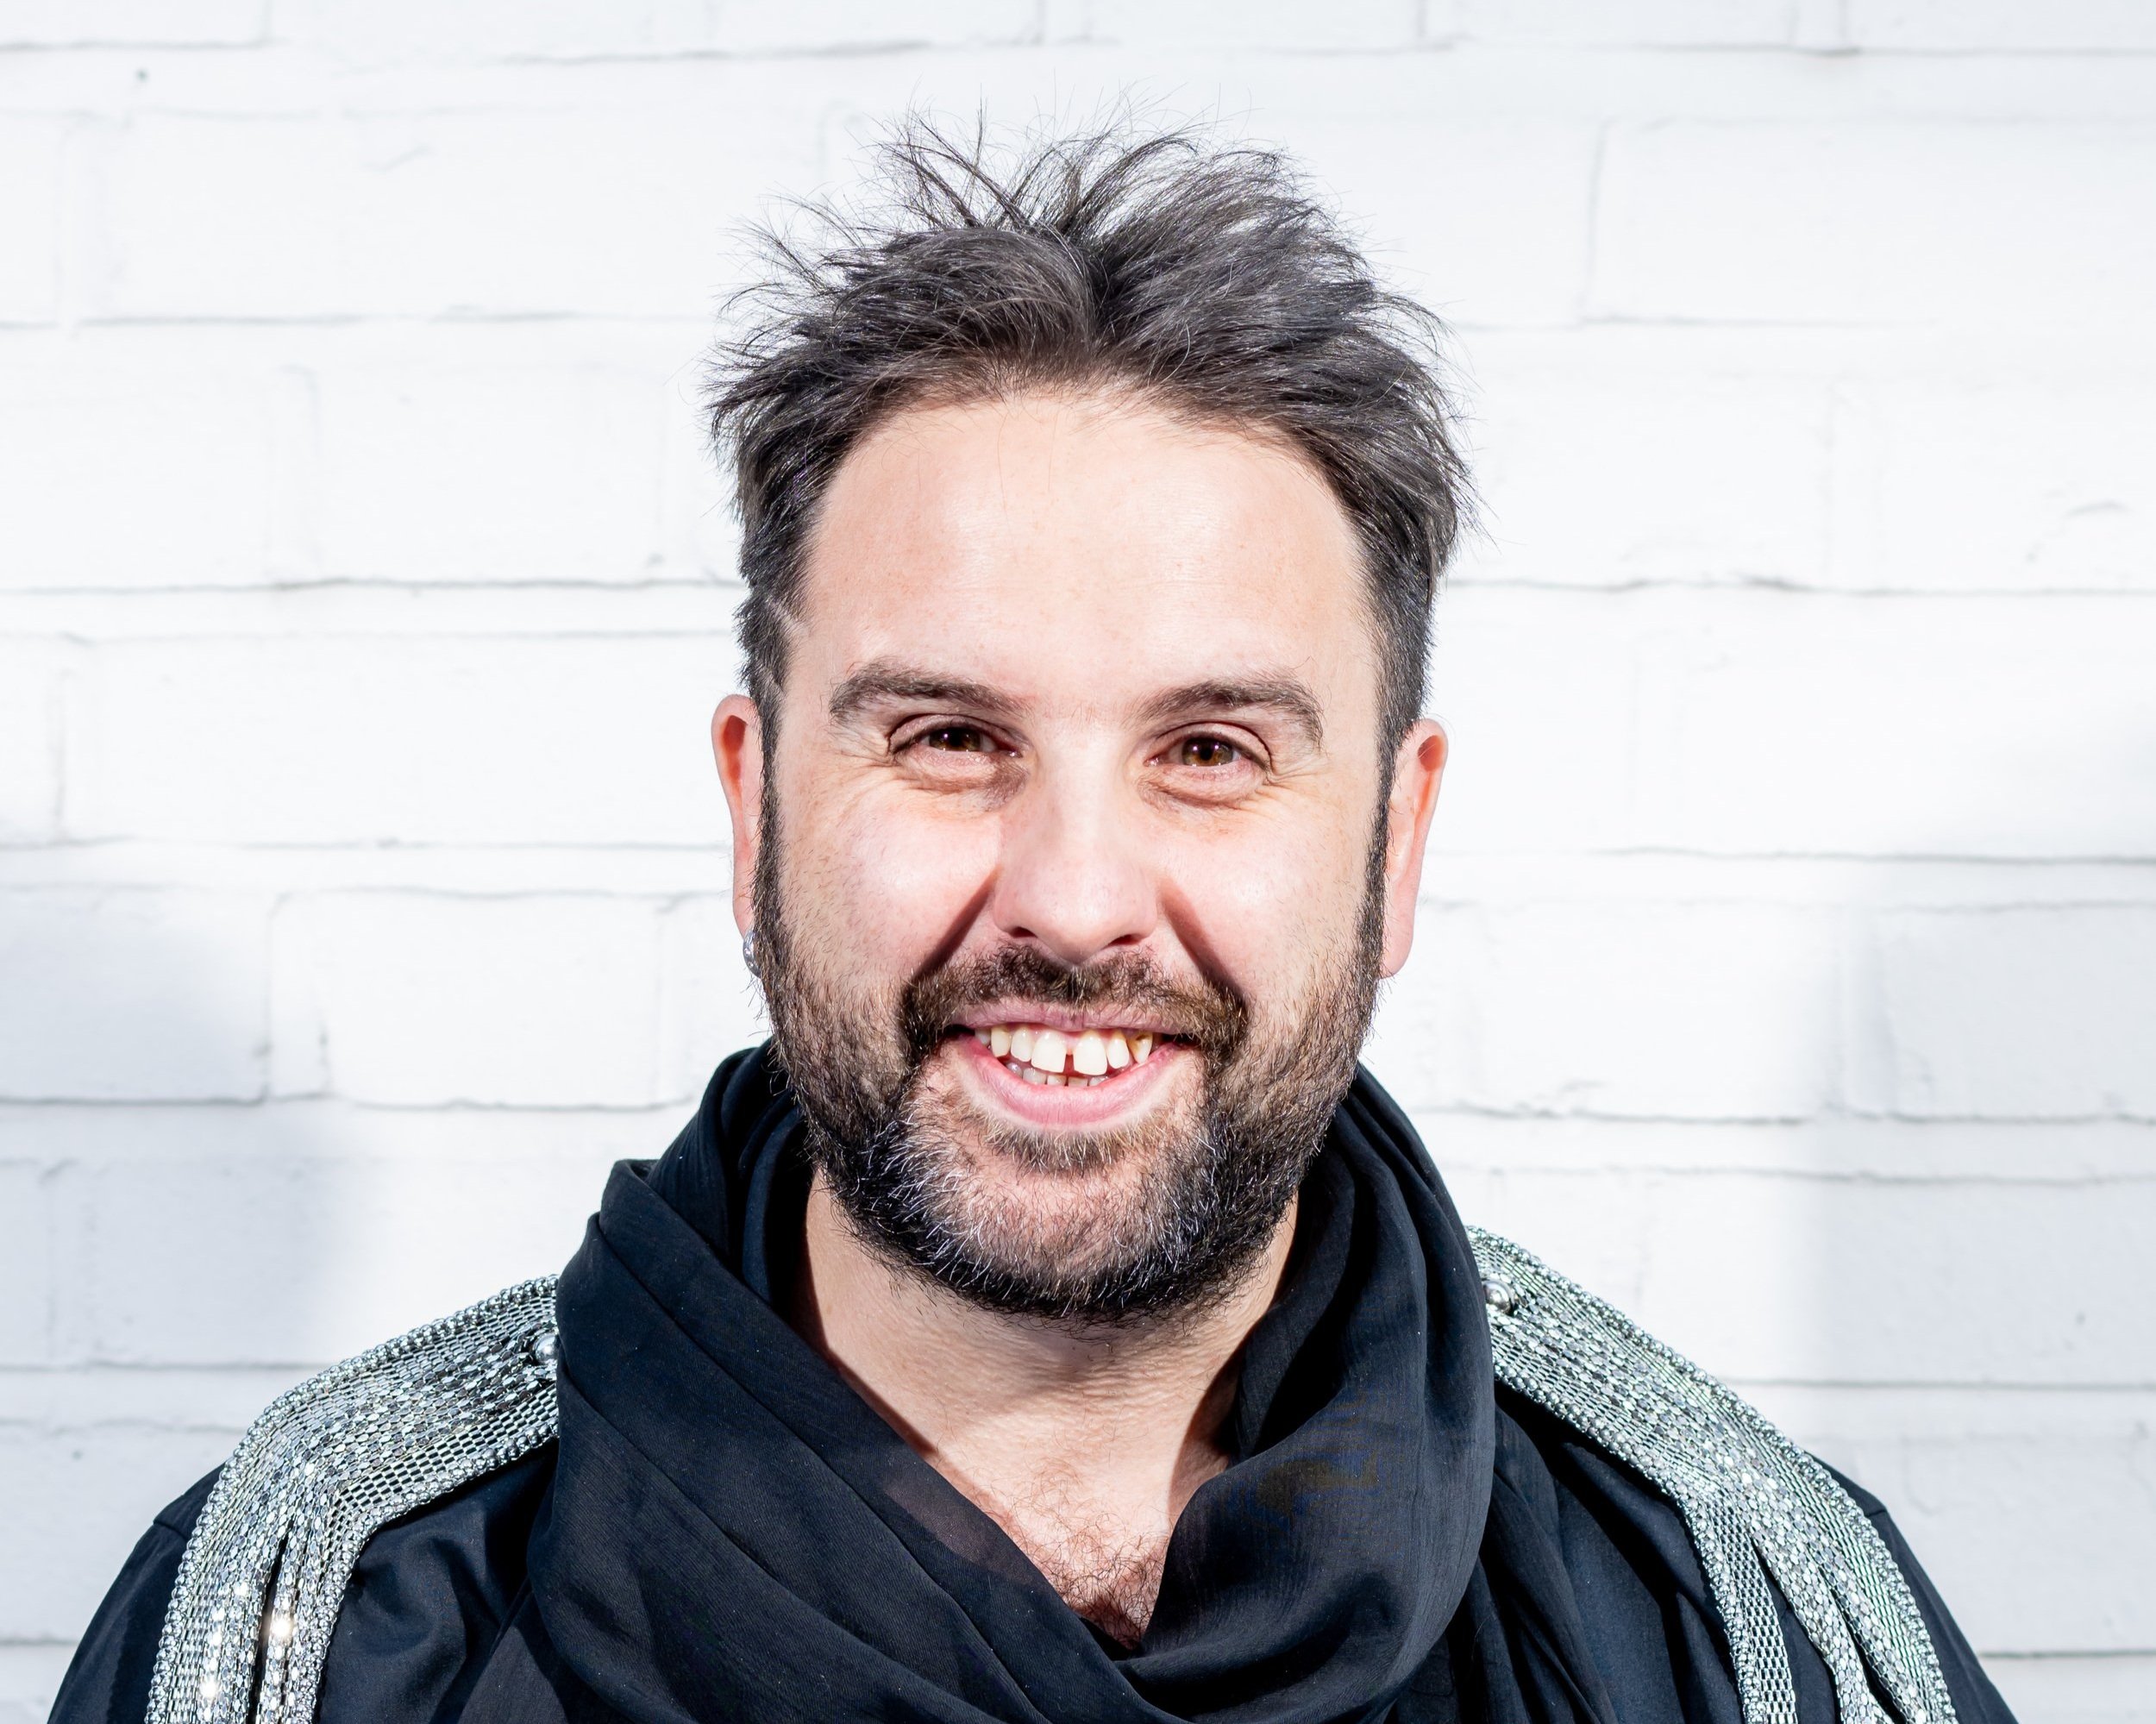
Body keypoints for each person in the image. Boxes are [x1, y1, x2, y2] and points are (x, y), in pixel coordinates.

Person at [52, 120, 2015, 1724]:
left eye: (1212, 751)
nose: (1072, 901)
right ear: (754, 810)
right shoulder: (303, 1635)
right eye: (947, 738)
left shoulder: (1746, 1626)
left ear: (1395, 841)